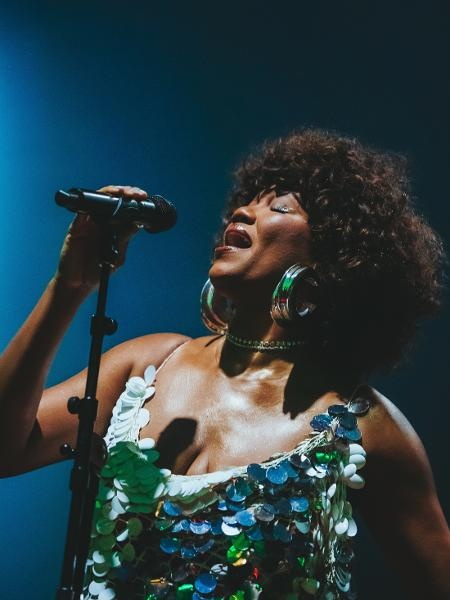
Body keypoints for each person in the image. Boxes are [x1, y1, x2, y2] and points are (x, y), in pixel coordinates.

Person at [0, 129, 448, 599]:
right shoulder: (149, 363)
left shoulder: (360, 426)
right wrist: (69, 287)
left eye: (279, 208)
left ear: (337, 256)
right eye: (246, 202)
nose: (243, 211)